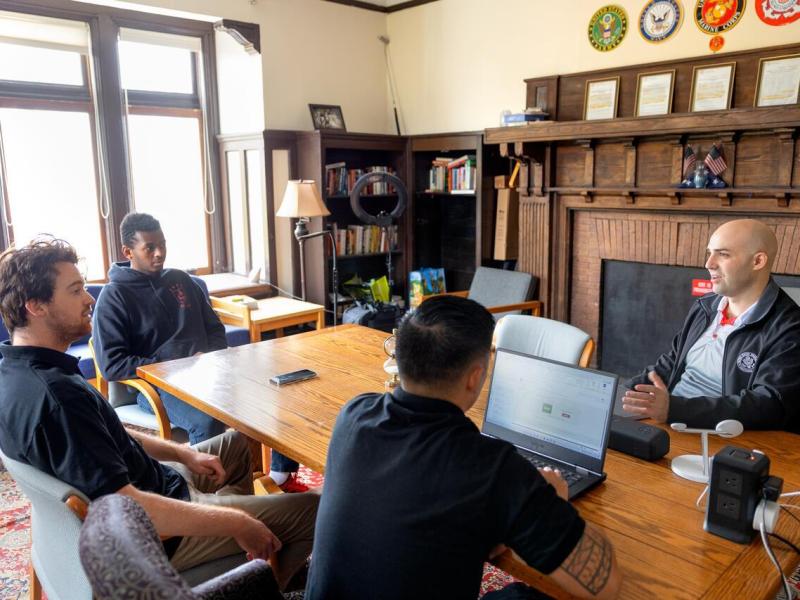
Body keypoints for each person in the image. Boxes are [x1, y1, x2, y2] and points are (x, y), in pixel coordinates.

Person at [0, 238, 318, 590]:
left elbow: (104, 437)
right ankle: (249, 572)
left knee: (236, 446)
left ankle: (242, 570)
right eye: (75, 291)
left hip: (157, 482)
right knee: (314, 509)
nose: (89, 299)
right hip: (155, 535)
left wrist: (182, 452)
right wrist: (236, 523)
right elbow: (129, 507)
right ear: (36, 306)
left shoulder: (17, 371)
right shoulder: (58, 400)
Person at [306, 295, 622, 600]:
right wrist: (555, 503)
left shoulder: (355, 414)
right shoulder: (492, 468)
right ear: (475, 377)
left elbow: (434, 515)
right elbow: (605, 585)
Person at [93, 212, 307, 491]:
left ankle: (279, 477)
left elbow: (215, 330)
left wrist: (212, 357)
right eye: (150, 248)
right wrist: (172, 364)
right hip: (157, 386)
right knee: (206, 419)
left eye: (163, 245)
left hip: (210, 372)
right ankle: (205, 494)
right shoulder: (114, 297)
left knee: (278, 389)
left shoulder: (180, 280)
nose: (160, 254)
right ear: (128, 251)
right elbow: (112, 364)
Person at [622, 219, 800, 432]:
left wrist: (673, 408)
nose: (709, 263)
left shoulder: (790, 328)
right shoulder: (705, 307)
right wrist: (620, 393)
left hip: (721, 437)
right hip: (669, 422)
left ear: (758, 261)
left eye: (723, 254)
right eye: (710, 253)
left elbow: (767, 406)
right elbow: (669, 365)